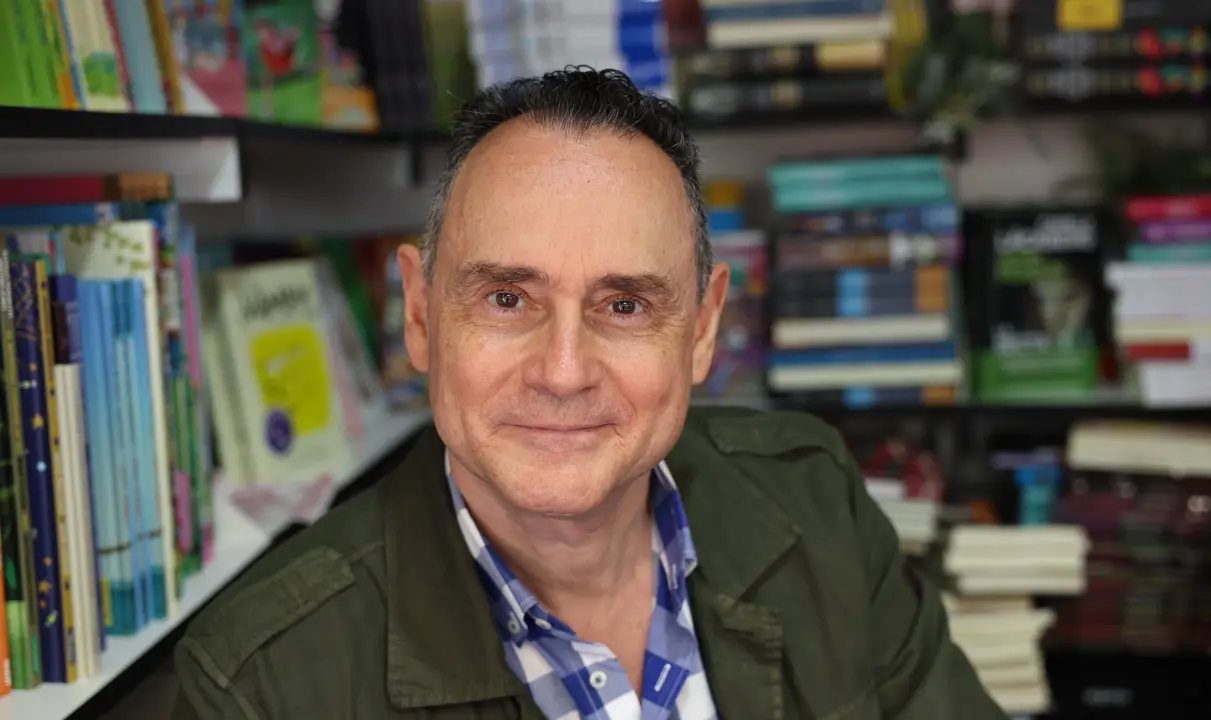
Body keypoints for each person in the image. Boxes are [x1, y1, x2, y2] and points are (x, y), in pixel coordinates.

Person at [170, 67, 1006, 719]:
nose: (563, 370)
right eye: (507, 299)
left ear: (703, 330)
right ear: (420, 316)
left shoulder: (815, 496)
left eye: (626, 305)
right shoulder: (258, 683)